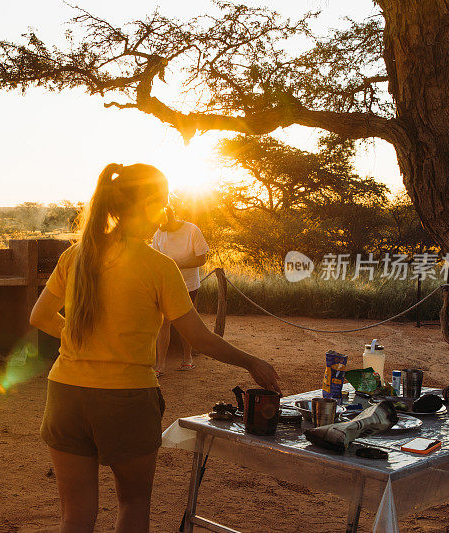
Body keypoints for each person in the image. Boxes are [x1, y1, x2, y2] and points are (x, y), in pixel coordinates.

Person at [29, 163, 281, 533]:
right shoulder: (159, 266)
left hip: (65, 393)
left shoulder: (76, 255)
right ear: (148, 204)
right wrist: (251, 362)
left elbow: (40, 316)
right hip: (126, 399)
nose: (165, 210)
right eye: (162, 201)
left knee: (75, 517)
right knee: (132, 504)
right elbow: (197, 337)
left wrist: (78, 337)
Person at [151, 207, 209, 375]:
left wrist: (173, 264)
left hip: (188, 284)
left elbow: (201, 258)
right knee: (164, 322)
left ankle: (187, 358)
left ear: (171, 217)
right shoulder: (159, 233)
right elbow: (155, 259)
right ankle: (160, 366)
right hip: (165, 284)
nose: (160, 226)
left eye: (162, 222)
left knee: (185, 321)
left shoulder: (192, 230)